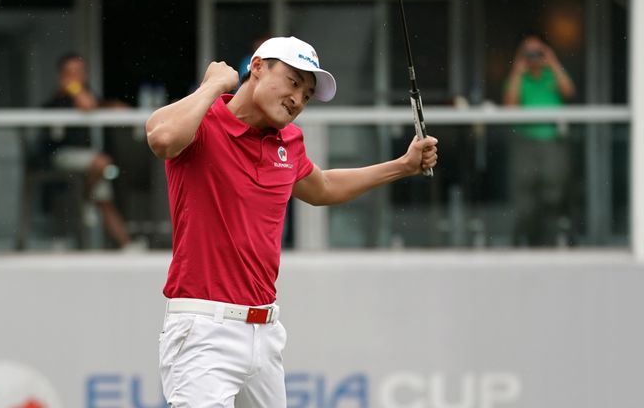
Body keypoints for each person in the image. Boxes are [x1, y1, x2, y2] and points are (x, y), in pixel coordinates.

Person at [146, 36, 438, 406]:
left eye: (308, 94)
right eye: (293, 81)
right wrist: (213, 86)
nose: (298, 99)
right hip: (204, 328)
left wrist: (403, 166)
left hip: (265, 333)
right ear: (256, 66)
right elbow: (163, 137)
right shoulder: (201, 122)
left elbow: (324, 187)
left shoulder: (289, 142)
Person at [38, 53, 133, 249]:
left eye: (80, 72)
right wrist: (74, 88)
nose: (76, 77)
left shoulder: (86, 92)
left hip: (89, 165)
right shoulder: (58, 100)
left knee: (104, 197)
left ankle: (126, 244)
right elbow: (87, 105)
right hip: (59, 158)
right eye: (70, 73)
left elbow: (97, 105)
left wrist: (113, 107)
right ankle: (87, 199)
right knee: (102, 163)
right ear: (61, 76)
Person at [502, 34, 576, 246]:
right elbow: (509, 107)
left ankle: (549, 242)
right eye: (529, 53)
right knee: (525, 197)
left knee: (553, 194)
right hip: (525, 142)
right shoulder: (519, 77)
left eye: (538, 52)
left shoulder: (551, 74)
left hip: (553, 141)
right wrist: (517, 69)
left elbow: (569, 92)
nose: (533, 57)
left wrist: (552, 62)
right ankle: (522, 241)